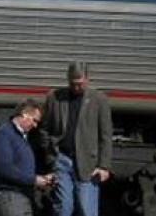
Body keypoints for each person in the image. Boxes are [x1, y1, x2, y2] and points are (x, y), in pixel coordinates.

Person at [39, 62, 113, 216]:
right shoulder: (54, 98)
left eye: (80, 84)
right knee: (63, 209)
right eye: (73, 84)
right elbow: (45, 128)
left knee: (87, 210)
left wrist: (104, 165)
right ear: (68, 80)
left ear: (87, 79)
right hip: (61, 159)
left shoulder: (99, 100)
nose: (77, 87)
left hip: (88, 163)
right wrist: (50, 155)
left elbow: (105, 135)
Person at [0, 99, 55, 216]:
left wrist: (43, 179)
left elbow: (22, 170)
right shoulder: (3, 134)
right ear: (24, 114)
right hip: (10, 196)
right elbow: (5, 168)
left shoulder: (22, 138)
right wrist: (34, 180)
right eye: (34, 120)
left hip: (22, 196)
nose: (35, 125)